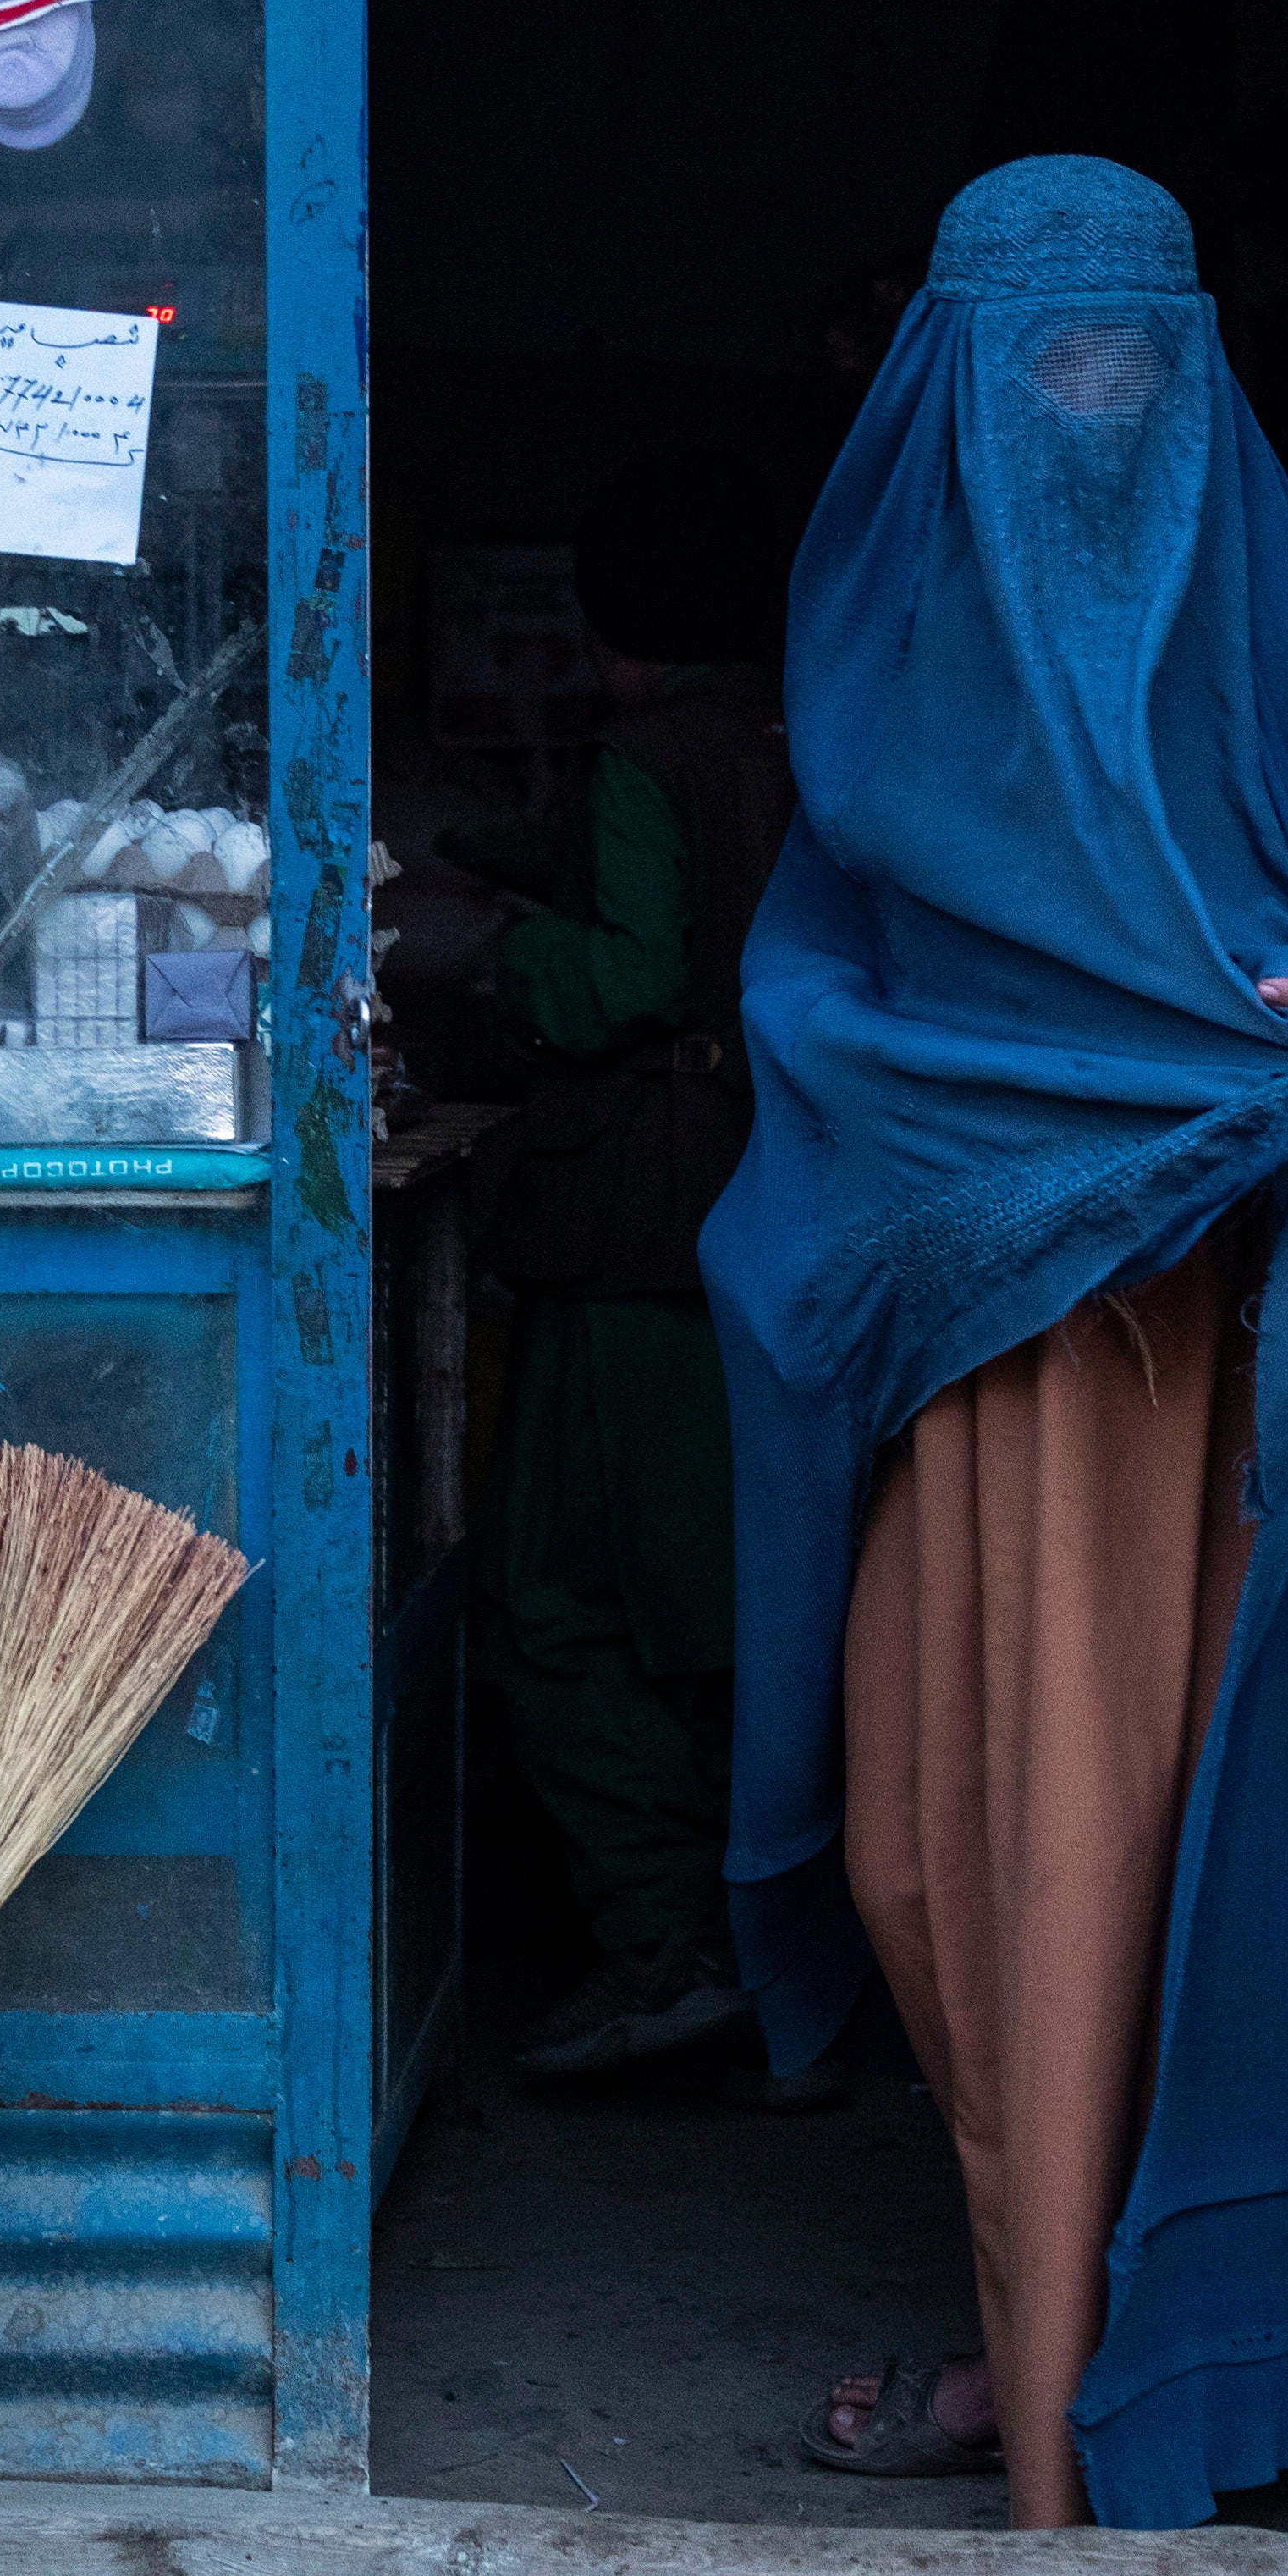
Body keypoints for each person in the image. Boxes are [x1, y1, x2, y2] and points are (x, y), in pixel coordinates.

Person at [707, 153, 1288, 2530]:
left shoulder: (1242, 630)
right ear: (946, 383)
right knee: (929, 1864)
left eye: (1131, 359)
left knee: (1110, 1868)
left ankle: (1073, 2390)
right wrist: (996, 1153)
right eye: (1038, 359)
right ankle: (1049, 2343)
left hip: (1194, 1384)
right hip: (975, 1377)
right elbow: (817, 1008)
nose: (1086, 404)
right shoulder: (888, 650)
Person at [390, 498, 803, 2085]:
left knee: (561, 1597)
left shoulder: (651, 752)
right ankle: (758, 1942)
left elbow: (631, 974)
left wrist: (492, 948)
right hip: (780, 1205)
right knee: (727, 1606)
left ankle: (661, 1946)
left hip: (642, 1214)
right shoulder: (803, 728)